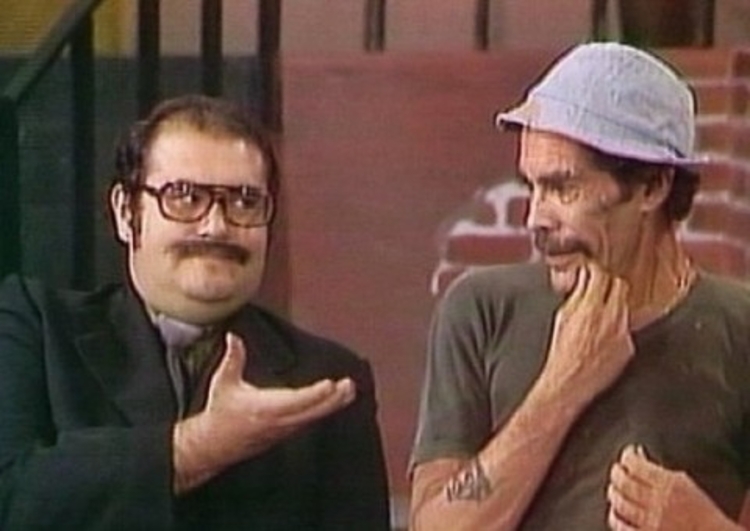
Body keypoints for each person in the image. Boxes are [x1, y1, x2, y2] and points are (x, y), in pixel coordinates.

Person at [0, 95, 390, 530]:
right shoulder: (35, 326)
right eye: (184, 197)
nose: (216, 226)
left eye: (244, 201)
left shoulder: (325, 379)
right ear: (126, 213)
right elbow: (11, 495)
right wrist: (194, 448)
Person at [409, 42, 750, 530]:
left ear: (653, 186)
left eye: (563, 188)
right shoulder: (482, 310)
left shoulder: (737, 328)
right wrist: (562, 386)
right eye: (531, 187)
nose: (535, 219)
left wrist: (703, 527)